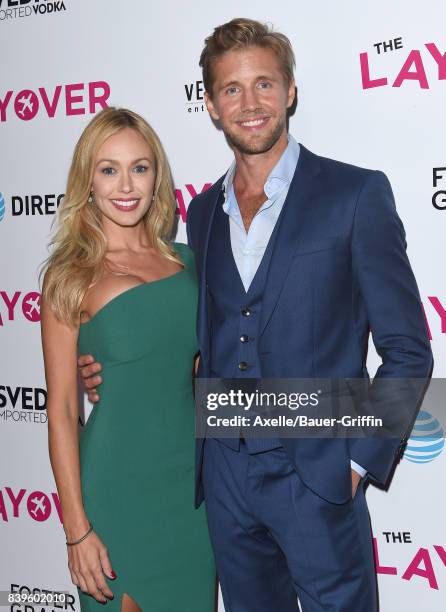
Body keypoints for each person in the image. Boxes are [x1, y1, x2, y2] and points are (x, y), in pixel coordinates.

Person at [79, 19, 433, 612]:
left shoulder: (354, 194)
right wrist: (109, 367)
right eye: (232, 89)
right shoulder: (200, 216)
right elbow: (194, 337)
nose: (250, 103)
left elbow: (409, 348)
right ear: (212, 105)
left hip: (319, 476)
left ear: (290, 90)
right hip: (223, 480)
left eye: (264, 84)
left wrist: (354, 462)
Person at [40, 107, 215, 611]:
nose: (126, 184)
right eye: (108, 168)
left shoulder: (191, 262)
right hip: (116, 487)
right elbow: (61, 409)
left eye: (139, 167)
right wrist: (77, 530)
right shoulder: (70, 276)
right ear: (87, 180)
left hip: (192, 491)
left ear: (157, 175)